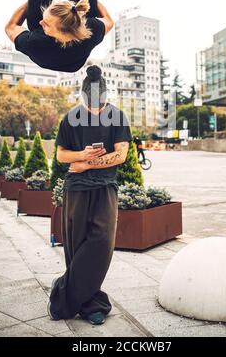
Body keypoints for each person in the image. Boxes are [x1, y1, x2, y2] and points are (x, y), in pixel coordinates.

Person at [48, 65, 132, 325]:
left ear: (106, 96)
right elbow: (61, 154)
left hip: (105, 187)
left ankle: (63, 290)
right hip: (76, 189)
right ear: (83, 97)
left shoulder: (117, 116)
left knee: (101, 242)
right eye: (92, 103)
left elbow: (122, 154)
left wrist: (88, 164)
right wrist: (81, 156)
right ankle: (91, 303)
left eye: (101, 102)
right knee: (76, 245)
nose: (97, 108)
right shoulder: (70, 118)